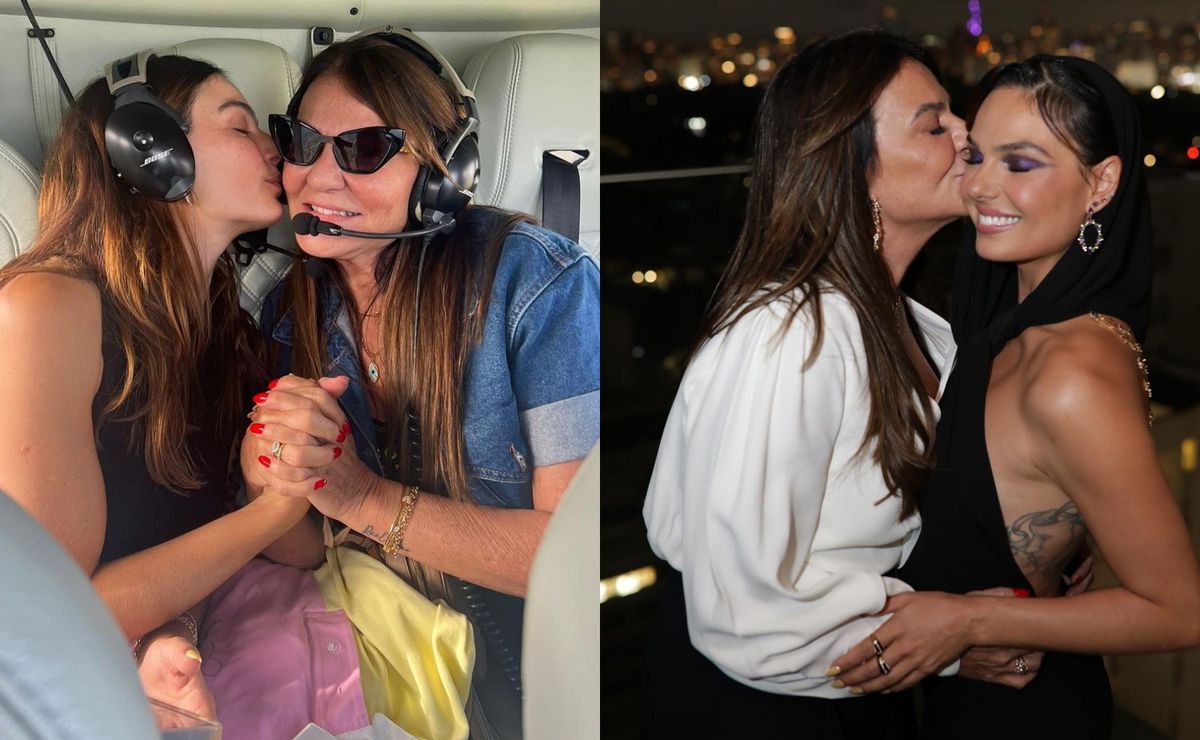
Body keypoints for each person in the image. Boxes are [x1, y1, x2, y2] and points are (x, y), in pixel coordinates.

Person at [638, 30, 1091, 739]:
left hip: (853, 689)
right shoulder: (791, 336)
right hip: (764, 705)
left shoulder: (923, 328)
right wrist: (947, 647)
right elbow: (742, 615)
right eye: (934, 125)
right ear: (852, 167)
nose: (967, 137)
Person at [239, 29, 599, 736]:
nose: (318, 177)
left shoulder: (537, 284)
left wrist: (364, 498)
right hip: (392, 655)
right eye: (303, 142)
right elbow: (299, 549)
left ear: (444, 174)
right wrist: (267, 466)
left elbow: (573, 560)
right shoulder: (288, 312)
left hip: (540, 660)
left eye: (365, 149)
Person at [830, 56, 1200, 738]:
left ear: (1102, 184)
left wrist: (973, 620)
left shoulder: (1069, 371)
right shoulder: (1012, 324)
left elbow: (1178, 610)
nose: (978, 185)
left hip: (1017, 714)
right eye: (975, 155)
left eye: (1021, 163)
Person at [0, 53, 307, 721]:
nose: (273, 151)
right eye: (239, 127)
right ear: (149, 152)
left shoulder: (228, 328)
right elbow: (59, 609)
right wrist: (270, 513)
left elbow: (296, 553)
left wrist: (292, 468)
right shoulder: (48, 307)